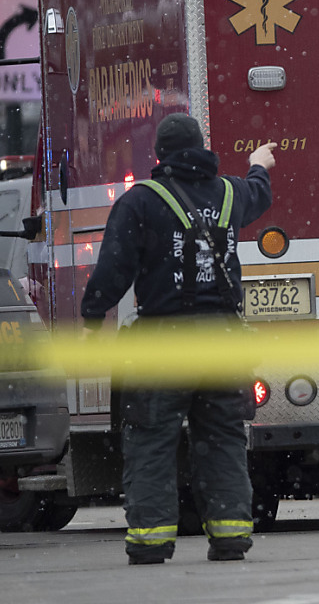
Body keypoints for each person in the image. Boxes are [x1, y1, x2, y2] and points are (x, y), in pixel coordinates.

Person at [81, 113, 276, 565]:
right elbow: (259, 193)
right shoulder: (230, 193)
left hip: (164, 342)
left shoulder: (142, 202)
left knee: (151, 438)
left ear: (159, 155)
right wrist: (258, 164)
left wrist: (92, 320)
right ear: (202, 147)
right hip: (224, 340)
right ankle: (230, 536)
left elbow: (114, 269)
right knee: (224, 439)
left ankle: (151, 541)